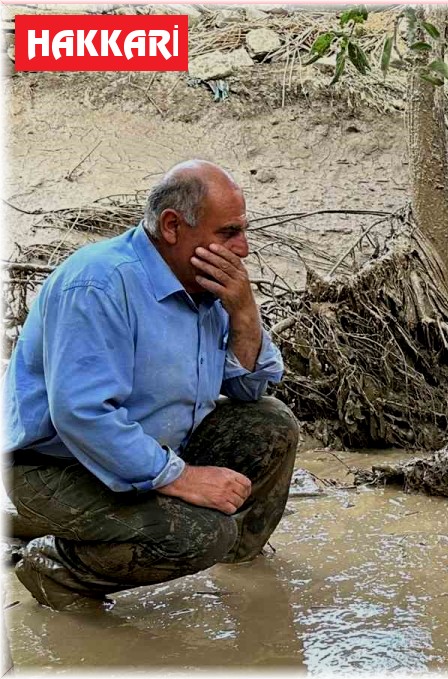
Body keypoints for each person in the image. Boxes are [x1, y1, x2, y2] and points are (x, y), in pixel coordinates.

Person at [3, 160, 299, 610]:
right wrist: (182, 478)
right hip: (53, 469)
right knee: (202, 535)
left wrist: (244, 314)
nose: (243, 248)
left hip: (147, 447)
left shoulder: (205, 284)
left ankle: (237, 565)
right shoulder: (98, 284)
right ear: (172, 226)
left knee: (272, 423)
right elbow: (82, 414)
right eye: (229, 232)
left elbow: (249, 391)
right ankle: (56, 569)